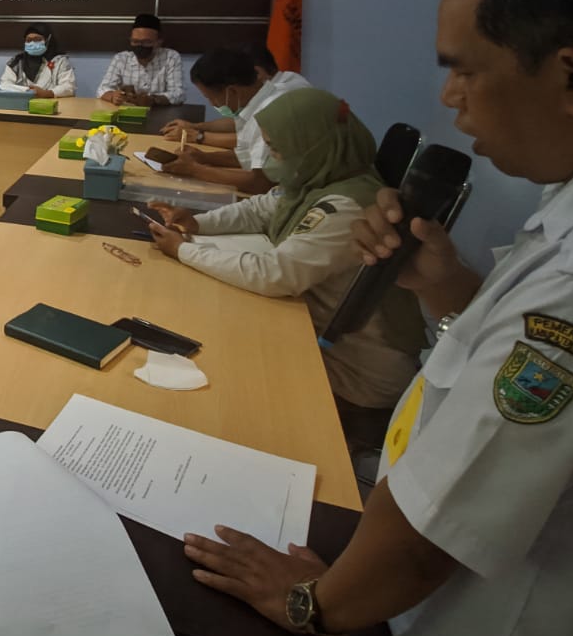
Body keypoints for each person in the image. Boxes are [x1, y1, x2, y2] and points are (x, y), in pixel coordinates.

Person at [181, 0, 573, 636]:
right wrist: (443, 285)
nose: (450, 102)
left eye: (463, 69)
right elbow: (502, 367)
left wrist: (306, 605)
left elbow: (436, 525)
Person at [146, 89, 424, 451]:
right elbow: (263, 208)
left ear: (312, 145)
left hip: (357, 374)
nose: (273, 161)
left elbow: (275, 274)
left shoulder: (346, 207)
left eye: (277, 150)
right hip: (319, 333)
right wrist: (198, 224)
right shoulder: (322, 175)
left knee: (223, 378)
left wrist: (183, 250)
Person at [160, 47, 305, 195]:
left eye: (210, 98)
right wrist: (202, 157)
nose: (212, 104)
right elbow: (248, 156)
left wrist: (195, 170)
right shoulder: (254, 104)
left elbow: (261, 183)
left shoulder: (269, 111)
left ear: (232, 91)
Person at [159, 42, 312, 144]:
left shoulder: (281, 97)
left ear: (257, 72)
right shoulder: (270, 89)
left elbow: (253, 141)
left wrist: (199, 137)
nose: (213, 104)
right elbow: (241, 123)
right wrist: (196, 126)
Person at [97, 13, 183, 105]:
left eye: (146, 42)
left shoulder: (171, 57)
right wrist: (113, 96)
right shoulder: (121, 59)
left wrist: (152, 100)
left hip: (160, 113)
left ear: (159, 42)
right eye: (135, 41)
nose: (140, 46)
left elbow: (178, 94)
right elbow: (102, 89)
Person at [0, 23, 76, 99]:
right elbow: (5, 84)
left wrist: (47, 93)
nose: (32, 43)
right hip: (22, 105)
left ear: (47, 40)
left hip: (52, 105)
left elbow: (69, 87)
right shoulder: (16, 62)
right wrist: (24, 92)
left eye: (37, 39)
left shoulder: (59, 61)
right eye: (28, 40)